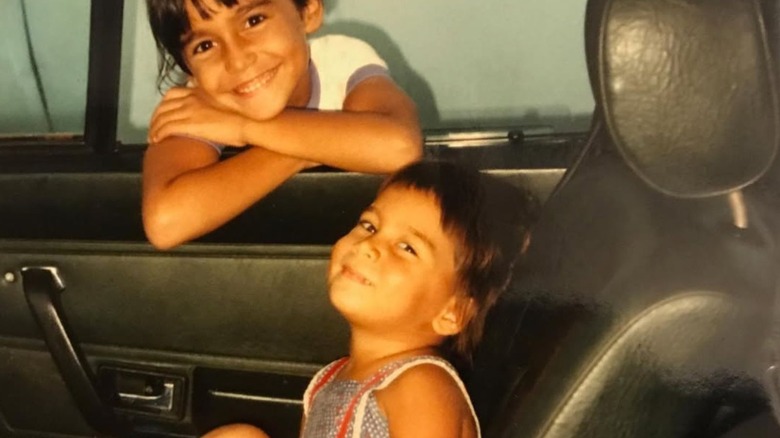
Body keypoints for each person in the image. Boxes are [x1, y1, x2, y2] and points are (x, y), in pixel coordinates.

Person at [203, 160, 538, 437]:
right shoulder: (330, 380)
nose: (368, 246)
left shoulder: (422, 386)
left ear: (451, 311)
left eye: (407, 248)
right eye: (369, 225)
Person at [142, 0, 422, 249]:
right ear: (189, 69)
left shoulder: (341, 60)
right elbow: (165, 223)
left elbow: (400, 148)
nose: (238, 61)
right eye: (204, 46)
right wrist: (303, 151)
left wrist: (243, 127)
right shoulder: (198, 108)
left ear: (308, 11)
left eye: (253, 20)